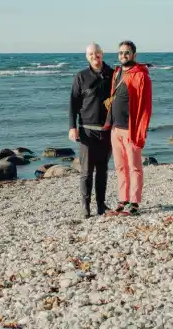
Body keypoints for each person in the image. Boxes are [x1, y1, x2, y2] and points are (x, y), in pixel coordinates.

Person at [105, 40, 152, 216]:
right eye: (120, 53)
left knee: (134, 167)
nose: (123, 56)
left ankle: (134, 203)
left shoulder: (141, 76)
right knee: (120, 167)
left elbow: (146, 106)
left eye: (127, 52)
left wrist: (141, 130)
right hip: (115, 128)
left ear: (134, 55)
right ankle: (122, 199)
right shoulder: (117, 72)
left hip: (131, 129)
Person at [68, 43, 115, 218]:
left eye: (97, 53)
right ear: (87, 57)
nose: (95, 56)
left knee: (103, 170)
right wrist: (72, 127)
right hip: (87, 131)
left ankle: (101, 205)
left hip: (107, 130)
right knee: (86, 171)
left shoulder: (112, 74)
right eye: (91, 54)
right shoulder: (81, 77)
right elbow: (73, 103)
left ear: (102, 54)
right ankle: (85, 207)